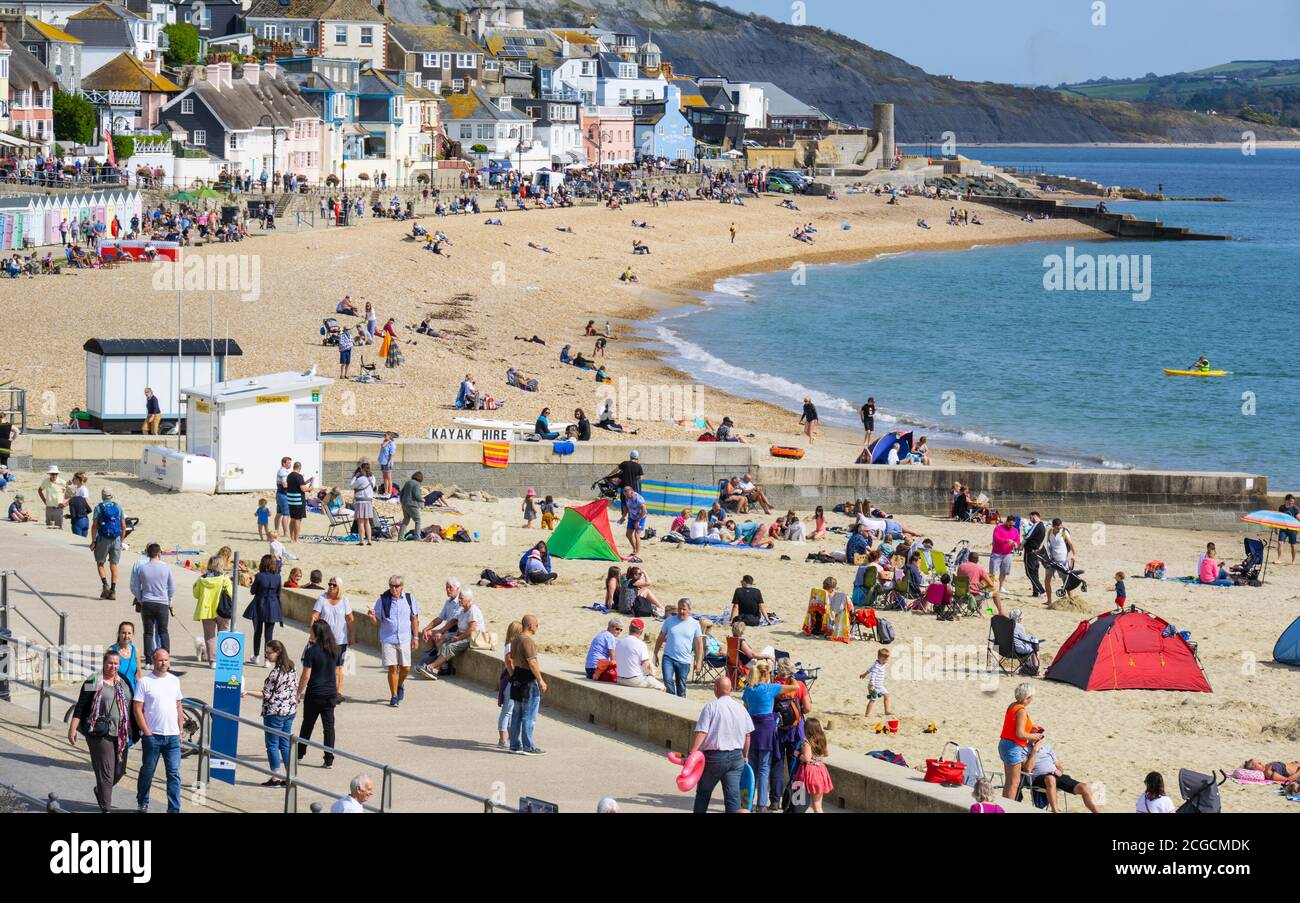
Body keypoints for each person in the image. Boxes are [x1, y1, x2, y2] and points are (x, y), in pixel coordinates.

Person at [69, 649, 136, 812]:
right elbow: (81, 705)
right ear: (104, 663)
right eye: (110, 663)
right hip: (99, 732)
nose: (113, 666)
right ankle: (106, 807)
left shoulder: (124, 680)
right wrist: (73, 728)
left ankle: (100, 791)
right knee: (106, 772)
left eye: (116, 663)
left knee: (119, 771)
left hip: (120, 734)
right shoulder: (94, 680)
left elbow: (132, 704)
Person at [688, 676, 754, 813]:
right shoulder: (741, 709)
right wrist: (745, 756)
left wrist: (692, 753)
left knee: (703, 793)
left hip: (714, 758)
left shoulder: (711, 707)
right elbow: (748, 735)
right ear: (730, 689)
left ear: (715, 689)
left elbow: (702, 732)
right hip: (736, 757)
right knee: (732, 797)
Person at [133, 648, 184, 813]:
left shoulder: (174, 680)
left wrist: (180, 729)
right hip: (153, 736)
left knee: (174, 774)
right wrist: (146, 732)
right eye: (160, 660)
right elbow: (137, 709)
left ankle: (174, 809)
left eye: (166, 660)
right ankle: (143, 801)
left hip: (173, 737)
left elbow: (178, 705)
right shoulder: (145, 682)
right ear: (153, 661)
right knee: (148, 771)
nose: (164, 663)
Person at [240, 639, 297, 786]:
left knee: (272, 745)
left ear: (277, 652)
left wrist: (247, 692)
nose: (266, 655)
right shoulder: (291, 666)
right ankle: (290, 776)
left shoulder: (275, 673)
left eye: (268, 653)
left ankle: (275, 777)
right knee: (284, 744)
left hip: (274, 713)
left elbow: (266, 694)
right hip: (289, 711)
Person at [367, 575, 419, 706]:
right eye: (391, 586)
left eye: (396, 586)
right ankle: (394, 695)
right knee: (392, 668)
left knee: (406, 668)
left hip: (405, 638)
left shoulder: (409, 599)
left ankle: (400, 685)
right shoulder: (383, 600)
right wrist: (372, 617)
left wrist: (416, 637)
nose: (393, 589)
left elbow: (414, 619)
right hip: (388, 638)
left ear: (402, 587)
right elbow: (377, 621)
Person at [295, 621, 340, 769]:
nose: (310, 633)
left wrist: (298, 693)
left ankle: (300, 754)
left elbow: (306, 675)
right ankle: (329, 759)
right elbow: (338, 672)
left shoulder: (311, 651)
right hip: (330, 693)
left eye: (312, 631)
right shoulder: (335, 650)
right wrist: (336, 690)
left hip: (314, 693)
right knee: (329, 727)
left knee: (307, 724)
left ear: (317, 633)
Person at [741, 661, 785, 810]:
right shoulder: (770, 688)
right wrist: (790, 678)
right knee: (764, 768)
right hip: (766, 731)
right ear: (766, 674)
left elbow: (745, 709)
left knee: (751, 768)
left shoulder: (748, 689)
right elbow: (795, 688)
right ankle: (761, 805)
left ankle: (747, 802)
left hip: (752, 729)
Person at [416, 588, 483, 680]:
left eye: (461, 598)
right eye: (459, 598)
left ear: (468, 599)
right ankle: (438, 669)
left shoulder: (473, 610)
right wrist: (441, 632)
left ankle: (431, 667)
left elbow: (472, 629)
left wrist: (458, 638)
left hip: (471, 638)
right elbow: (453, 622)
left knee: (450, 647)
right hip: (462, 635)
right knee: (442, 641)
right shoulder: (463, 610)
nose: (459, 600)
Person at [508, 614, 547, 755]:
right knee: (529, 715)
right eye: (537, 625)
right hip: (527, 680)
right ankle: (528, 746)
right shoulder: (527, 641)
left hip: (517, 677)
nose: (537, 628)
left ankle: (514, 744)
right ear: (530, 625)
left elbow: (511, 658)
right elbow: (532, 662)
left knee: (517, 713)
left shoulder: (515, 639)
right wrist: (540, 680)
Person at [1027, 740, 1101, 813]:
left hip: (1055, 775)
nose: (1039, 737)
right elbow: (1028, 769)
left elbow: (1059, 766)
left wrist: (1059, 771)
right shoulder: (1024, 748)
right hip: (1038, 778)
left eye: (1040, 735)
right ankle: (1055, 811)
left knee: (1084, 787)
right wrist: (1034, 751)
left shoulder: (1047, 746)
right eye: (1035, 734)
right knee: (1050, 779)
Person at [999, 682, 1044, 801]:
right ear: (1027, 697)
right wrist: (1035, 736)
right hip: (1013, 746)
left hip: (1005, 744)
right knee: (1014, 782)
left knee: (1009, 782)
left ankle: (1003, 806)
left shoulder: (1013, 705)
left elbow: (1013, 726)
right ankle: (1007, 808)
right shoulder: (1022, 711)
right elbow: (1020, 734)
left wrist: (1031, 727)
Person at [311, 578, 355, 700]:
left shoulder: (345, 601)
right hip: (323, 639)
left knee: (339, 666)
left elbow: (350, 619)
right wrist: (312, 635)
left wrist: (351, 636)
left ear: (339, 587)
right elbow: (314, 617)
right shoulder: (322, 599)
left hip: (341, 640)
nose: (331, 586)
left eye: (334, 585)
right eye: (329, 584)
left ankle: (337, 692)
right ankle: (324, 690)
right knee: (324, 665)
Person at [132, 543, 175, 661]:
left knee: (148, 633)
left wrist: (140, 599)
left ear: (147, 554)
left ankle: (149, 660)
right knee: (163, 632)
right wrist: (170, 600)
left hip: (147, 602)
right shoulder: (166, 567)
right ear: (159, 553)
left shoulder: (142, 568)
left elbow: (135, 587)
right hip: (162, 603)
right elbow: (171, 587)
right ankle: (165, 659)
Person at [655, 599, 703, 697]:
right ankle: (671, 699)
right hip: (668, 657)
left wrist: (698, 662)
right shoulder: (669, 621)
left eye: (684, 609)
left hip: (684, 660)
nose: (681, 611)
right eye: (680, 609)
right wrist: (655, 653)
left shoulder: (695, 624)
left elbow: (699, 643)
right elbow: (661, 637)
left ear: (689, 610)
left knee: (681, 687)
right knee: (667, 680)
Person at [192, 555, 233, 667]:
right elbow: (231, 594)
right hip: (222, 610)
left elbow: (196, 594)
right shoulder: (225, 578)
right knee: (224, 634)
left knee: (210, 636)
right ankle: (223, 658)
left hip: (206, 611)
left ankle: (213, 660)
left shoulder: (202, 579)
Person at [244, 554, 283, 665]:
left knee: (258, 632)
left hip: (259, 605)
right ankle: (267, 659)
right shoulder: (278, 577)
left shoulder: (260, 576)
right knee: (269, 635)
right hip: (273, 606)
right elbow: (278, 593)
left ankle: (256, 656)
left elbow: (253, 591)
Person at [794, 716, 834, 813]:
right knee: (817, 804)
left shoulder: (806, 742)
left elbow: (807, 758)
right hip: (821, 769)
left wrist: (798, 754)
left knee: (800, 802)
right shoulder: (822, 739)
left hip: (810, 772)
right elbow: (826, 753)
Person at [90, 488, 125, 600]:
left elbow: (94, 525)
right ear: (112, 496)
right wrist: (121, 540)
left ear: (102, 496)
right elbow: (123, 526)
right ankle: (113, 590)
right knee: (113, 564)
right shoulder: (118, 507)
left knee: (100, 562)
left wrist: (93, 541)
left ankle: (105, 585)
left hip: (103, 538)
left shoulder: (99, 507)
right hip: (116, 538)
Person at [615, 618, 664, 689]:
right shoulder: (640, 644)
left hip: (619, 679)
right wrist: (652, 675)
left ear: (629, 628)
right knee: (662, 687)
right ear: (641, 631)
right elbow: (646, 666)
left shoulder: (619, 642)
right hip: (633, 680)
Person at [1043, 518, 1077, 598]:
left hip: (1062, 560)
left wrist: (1074, 555)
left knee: (1066, 581)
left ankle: (1071, 599)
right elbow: (1048, 543)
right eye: (1057, 528)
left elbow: (1071, 544)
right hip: (1051, 560)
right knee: (1047, 580)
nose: (1059, 529)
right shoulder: (1050, 532)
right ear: (1053, 526)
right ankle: (1049, 600)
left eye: (1060, 527)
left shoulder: (1063, 532)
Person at [990, 515, 1020, 593]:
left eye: (1013, 525)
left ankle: (1001, 587)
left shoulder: (1015, 530)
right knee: (992, 571)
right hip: (997, 553)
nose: (1011, 526)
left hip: (1008, 554)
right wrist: (1006, 540)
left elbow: (1017, 540)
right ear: (1006, 522)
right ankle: (990, 587)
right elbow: (996, 538)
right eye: (1010, 524)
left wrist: (1016, 544)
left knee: (1004, 571)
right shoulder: (998, 528)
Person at [109, 620, 140, 694]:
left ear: (133, 635)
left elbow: (138, 676)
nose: (126, 636)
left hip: (133, 693)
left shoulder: (135, 651)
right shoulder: (111, 650)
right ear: (119, 634)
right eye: (123, 633)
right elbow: (105, 675)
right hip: (117, 694)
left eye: (129, 633)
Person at [350, 461, 377, 545]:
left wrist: (355, 476)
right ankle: (369, 540)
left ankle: (361, 540)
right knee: (367, 522)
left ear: (361, 469)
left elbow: (352, 485)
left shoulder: (361, 478)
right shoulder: (373, 478)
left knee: (360, 522)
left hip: (360, 501)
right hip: (369, 501)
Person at [285, 461, 311, 543]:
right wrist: (310, 488)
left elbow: (296, 485)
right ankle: (296, 539)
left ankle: (292, 539)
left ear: (294, 467)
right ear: (300, 467)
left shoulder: (289, 476)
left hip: (291, 500)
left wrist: (307, 481)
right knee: (298, 520)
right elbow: (303, 488)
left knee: (292, 519)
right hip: (298, 501)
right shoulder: (299, 476)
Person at [1021, 511, 1047, 597]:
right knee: (1035, 572)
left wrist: (1022, 540)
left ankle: (1041, 590)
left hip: (1030, 551)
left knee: (1029, 572)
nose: (1030, 520)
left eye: (1031, 518)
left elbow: (1028, 535)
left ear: (1034, 516)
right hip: (1036, 550)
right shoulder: (1042, 526)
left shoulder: (1037, 525)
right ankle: (1036, 592)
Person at [1008, 609, 1042, 673]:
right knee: (1034, 648)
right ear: (1019, 618)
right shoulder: (1019, 626)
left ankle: (1025, 667)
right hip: (1017, 650)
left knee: (1030, 642)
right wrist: (1034, 641)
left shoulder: (1006, 624)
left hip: (1005, 649)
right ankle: (1036, 669)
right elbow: (1025, 640)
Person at [861, 647, 891, 717]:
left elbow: (870, 669)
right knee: (872, 699)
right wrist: (872, 685)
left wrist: (865, 673)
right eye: (883, 659)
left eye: (886, 660)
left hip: (880, 686)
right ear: (879, 658)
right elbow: (873, 675)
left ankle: (887, 711)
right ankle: (867, 714)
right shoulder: (877, 666)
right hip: (874, 686)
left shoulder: (880, 664)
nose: (885, 661)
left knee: (887, 696)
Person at [621, 484, 647, 562]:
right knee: (628, 534)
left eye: (627, 495)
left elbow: (644, 511)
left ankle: (638, 553)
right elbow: (626, 508)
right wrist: (623, 517)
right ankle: (634, 550)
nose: (626, 497)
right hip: (632, 517)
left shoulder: (639, 499)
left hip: (641, 517)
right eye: (625, 495)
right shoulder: (626, 497)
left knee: (637, 534)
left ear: (632, 492)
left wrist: (638, 520)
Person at [397, 471, 424, 541]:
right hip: (412, 504)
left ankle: (400, 537)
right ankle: (417, 537)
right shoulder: (417, 484)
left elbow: (401, 493)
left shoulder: (408, 482)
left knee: (405, 520)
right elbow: (417, 495)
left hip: (404, 504)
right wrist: (422, 500)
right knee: (418, 520)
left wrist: (402, 501)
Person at [38, 464, 67, 529]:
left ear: (57, 474)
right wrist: (44, 500)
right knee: (48, 529)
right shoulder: (46, 481)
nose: (54, 475)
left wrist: (65, 503)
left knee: (58, 529)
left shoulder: (62, 482)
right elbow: (39, 490)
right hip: (48, 508)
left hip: (58, 509)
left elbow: (71, 493)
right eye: (52, 473)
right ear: (49, 474)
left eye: (55, 474)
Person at [1277, 493, 1299, 564]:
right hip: (1283, 528)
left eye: (1293, 502)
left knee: (1293, 545)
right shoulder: (1281, 508)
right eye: (1291, 501)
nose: (1292, 503)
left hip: (1292, 529)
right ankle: (1279, 559)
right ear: (1286, 500)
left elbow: (1298, 517)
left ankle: (1293, 560)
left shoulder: (1295, 508)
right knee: (1280, 543)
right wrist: (1275, 528)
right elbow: (1278, 518)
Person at [274, 456, 292, 536]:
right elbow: (285, 485)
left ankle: (276, 530)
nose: (290, 464)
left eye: (290, 463)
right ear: (284, 463)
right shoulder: (283, 471)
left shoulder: (282, 471)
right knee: (286, 514)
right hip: (283, 494)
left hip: (280, 494)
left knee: (279, 513)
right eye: (288, 463)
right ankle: (286, 532)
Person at [377, 432, 396, 497]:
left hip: (388, 462)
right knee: (384, 477)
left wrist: (389, 462)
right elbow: (382, 446)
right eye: (384, 435)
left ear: (390, 436)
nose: (385, 436)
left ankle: (390, 492)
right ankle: (386, 491)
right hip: (383, 461)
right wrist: (387, 441)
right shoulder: (385, 442)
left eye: (386, 435)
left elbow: (392, 454)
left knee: (389, 477)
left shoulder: (392, 444)